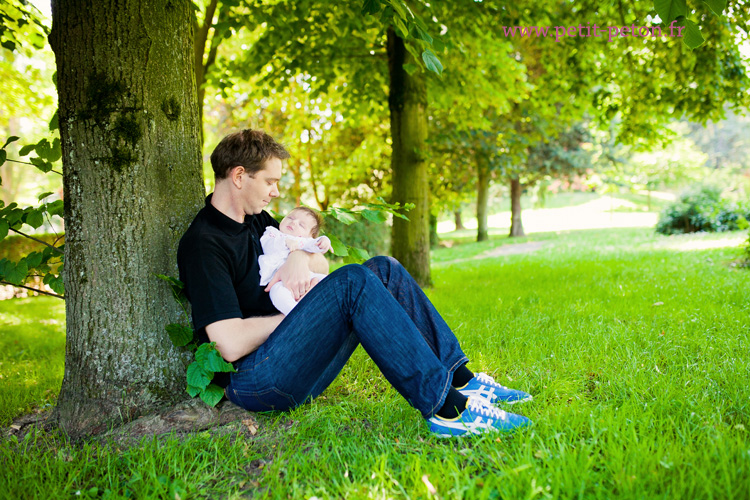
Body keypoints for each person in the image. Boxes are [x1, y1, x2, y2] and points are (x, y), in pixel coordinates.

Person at [177, 129, 533, 438]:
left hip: (296, 362)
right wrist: (303, 316)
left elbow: (317, 262)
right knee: (353, 282)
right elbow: (228, 344)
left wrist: (301, 258)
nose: (274, 192)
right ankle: (447, 411)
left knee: (384, 269)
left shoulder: (259, 221)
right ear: (239, 176)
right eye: (269, 182)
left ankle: (461, 380)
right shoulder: (204, 243)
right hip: (257, 381)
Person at [259, 206, 331, 315]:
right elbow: (267, 244)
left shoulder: (303, 241)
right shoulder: (272, 232)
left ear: (309, 236)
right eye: (290, 218)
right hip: (279, 281)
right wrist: (285, 241)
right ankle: (297, 314)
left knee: (327, 280)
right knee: (277, 294)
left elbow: (315, 245)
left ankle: (332, 306)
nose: (294, 223)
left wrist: (324, 240)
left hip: (306, 276)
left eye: (301, 225)